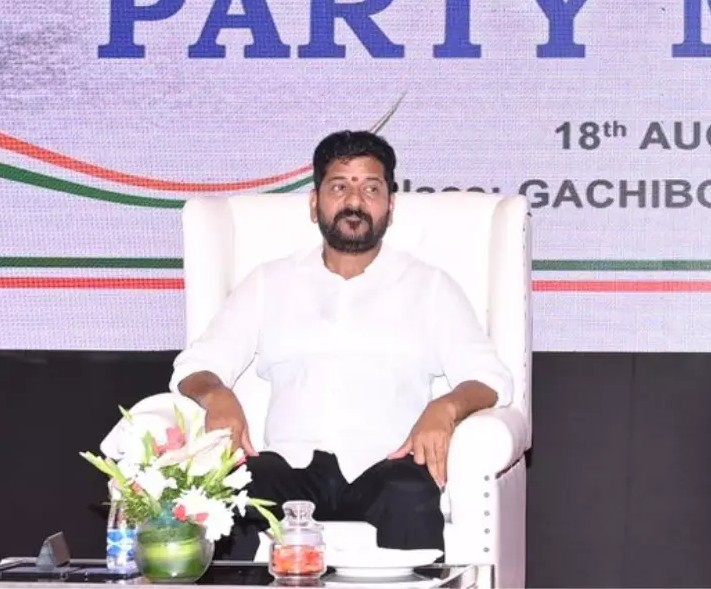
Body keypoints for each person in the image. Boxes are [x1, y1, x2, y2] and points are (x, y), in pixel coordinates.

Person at [171, 131, 514, 559]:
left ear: (390, 205)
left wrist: (446, 408)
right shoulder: (269, 282)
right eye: (339, 187)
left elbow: (490, 379)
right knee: (233, 492)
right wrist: (217, 395)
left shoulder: (430, 286)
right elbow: (195, 367)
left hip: (387, 464)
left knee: (410, 491)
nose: (355, 201)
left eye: (371, 188)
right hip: (291, 465)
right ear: (314, 203)